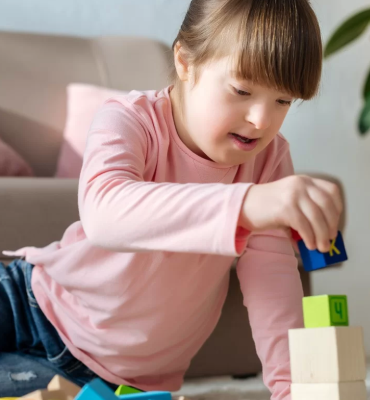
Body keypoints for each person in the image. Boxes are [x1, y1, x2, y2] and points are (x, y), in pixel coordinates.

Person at [0, 0, 343, 399]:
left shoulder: (269, 160)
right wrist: (245, 204)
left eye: (283, 101)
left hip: (113, 380)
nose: (262, 120)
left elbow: (273, 279)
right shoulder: (130, 119)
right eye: (242, 90)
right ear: (185, 61)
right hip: (28, 299)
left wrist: (291, 390)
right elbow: (104, 211)